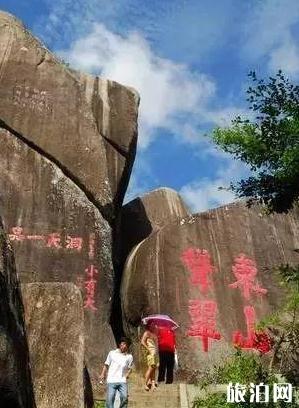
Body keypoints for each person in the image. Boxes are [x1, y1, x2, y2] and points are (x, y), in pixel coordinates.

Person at [99, 337, 133, 408]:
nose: (124, 346)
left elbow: (130, 368)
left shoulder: (129, 357)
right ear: (119, 344)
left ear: (128, 347)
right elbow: (106, 365)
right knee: (110, 399)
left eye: (126, 345)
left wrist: (127, 375)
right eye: (123, 344)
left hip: (122, 380)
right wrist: (102, 374)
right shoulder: (112, 353)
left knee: (124, 397)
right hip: (111, 380)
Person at [141, 323, 159, 391]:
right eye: (152, 325)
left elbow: (156, 345)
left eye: (154, 325)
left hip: (155, 353)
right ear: (149, 325)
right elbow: (142, 342)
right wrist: (148, 349)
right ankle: (145, 384)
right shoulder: (147, 333)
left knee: (154, 368)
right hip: (150, 353)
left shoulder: (155, 334)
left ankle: (153, 384)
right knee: (150, 368)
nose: (154, 326)